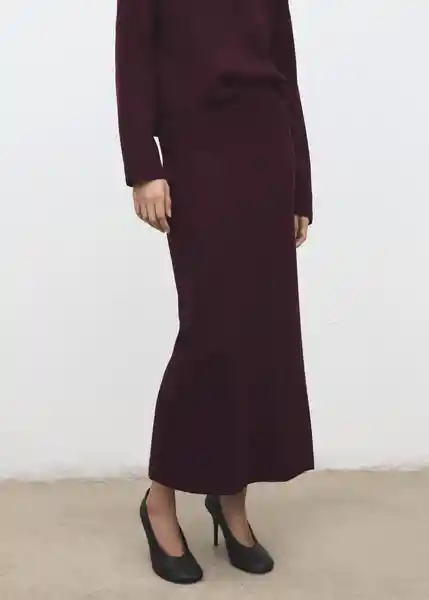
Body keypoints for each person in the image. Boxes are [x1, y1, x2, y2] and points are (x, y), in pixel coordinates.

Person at [115, 0, 314, 585]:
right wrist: (143, 166)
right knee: (212, 332)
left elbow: (286, 73)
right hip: (196, 153)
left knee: (260, 333)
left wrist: (300, 187)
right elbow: (132, 63)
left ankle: (231, 501)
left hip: (267, 153)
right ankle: (160, 499)